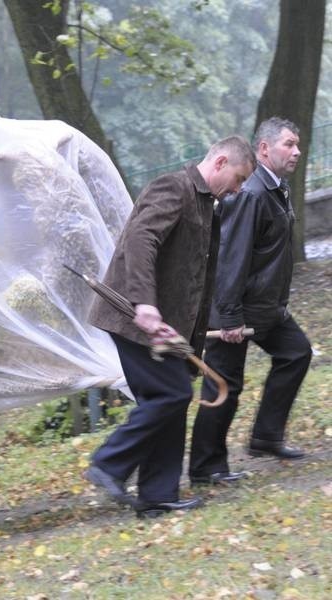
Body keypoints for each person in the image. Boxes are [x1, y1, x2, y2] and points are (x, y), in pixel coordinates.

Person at [84, 135, 256, 518]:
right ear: (220, 162)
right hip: (133, 318)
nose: (239, 189)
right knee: (171, 394)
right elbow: (140, 239)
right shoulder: (173, 187)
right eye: (240, 178)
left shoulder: (208, 205)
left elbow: (193, 275)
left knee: (171, 398)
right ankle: (108, 464)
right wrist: (144, 302)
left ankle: (157, 496)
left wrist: (191, 335)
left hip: (167, 328)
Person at [189, 118, 312, 485]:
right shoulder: (251, 194)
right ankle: (205, 466)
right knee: (224, 386)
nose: (297, 152)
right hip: (235, 310)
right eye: (289, 144)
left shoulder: (276, 188)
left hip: (266, 308)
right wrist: (227, 318)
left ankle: (265, 437)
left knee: (296, 352)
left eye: (297, 145)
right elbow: (230, 258)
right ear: (264, 149)